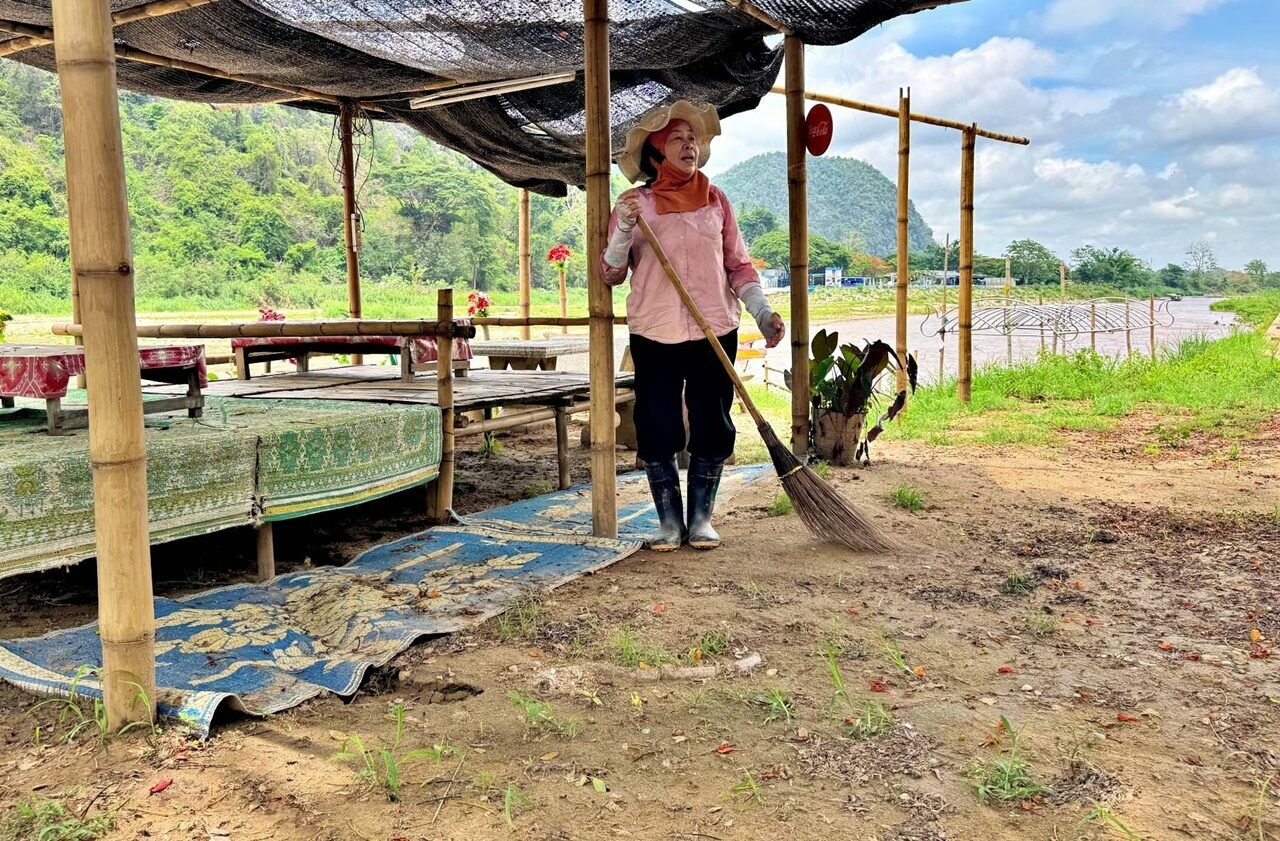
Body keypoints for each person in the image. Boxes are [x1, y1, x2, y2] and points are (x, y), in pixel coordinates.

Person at [600, 100, 785, 552]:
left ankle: (701, 519)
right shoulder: (634, 205)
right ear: (656, 153)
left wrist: (762, 313)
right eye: (678, 139)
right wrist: (623, 230)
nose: (690, 146)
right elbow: (611, 273)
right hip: (655, 331)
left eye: (693, 139)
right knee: (656, 423)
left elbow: (739, 266)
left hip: (714, 329)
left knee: (712, 421)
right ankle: (669, 523)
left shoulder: (716, 200)